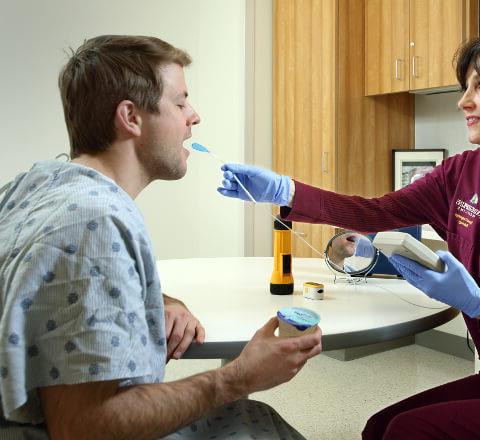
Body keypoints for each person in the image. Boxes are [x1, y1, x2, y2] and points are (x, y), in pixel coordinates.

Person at [218, 29, 480, 439]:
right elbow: (378, 212)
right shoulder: (465, 173)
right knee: (379, 428)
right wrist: (283, 191)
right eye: (466, 85)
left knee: (408, 432)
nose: (464, 100)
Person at [0, 35, 322, 439]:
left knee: (255, 417)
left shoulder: (37, 185)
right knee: (254, 418)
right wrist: (236, 378)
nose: (194, 116)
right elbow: (83, 427)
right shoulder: (95, 223)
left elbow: (50, 283)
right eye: (181, 101)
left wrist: (156, 299)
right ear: (131, 117)